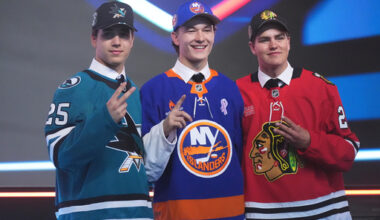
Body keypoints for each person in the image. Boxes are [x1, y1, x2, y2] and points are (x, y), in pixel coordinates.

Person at [236, 10, 360, 219]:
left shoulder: (321, 87)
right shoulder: (236, 92)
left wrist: (309, 141)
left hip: (325, 210)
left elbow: (349, 152)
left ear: (289, 42)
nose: (273, 45)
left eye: (279, 37)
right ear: (252, 47)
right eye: (264, 39)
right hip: (261, 213)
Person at [44, 2, 153, 219]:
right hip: (89, 213)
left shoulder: (136, 93)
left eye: (123, 34)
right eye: (109, 34)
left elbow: (143, 165)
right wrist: (105, 120)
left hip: (138, 212)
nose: (116, 41)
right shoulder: (73, 88)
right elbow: (61, 156)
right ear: (94, 37)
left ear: (132, 40)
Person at [140, 1, 245, 219]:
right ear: (175, 37)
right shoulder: (153, 90)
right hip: (177, 214)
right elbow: (146, 171)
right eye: (191, 30)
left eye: (207, 30)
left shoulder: (231, 89)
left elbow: (239, 157)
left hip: (230, 213)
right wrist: (165, 129)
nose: (200, 37)